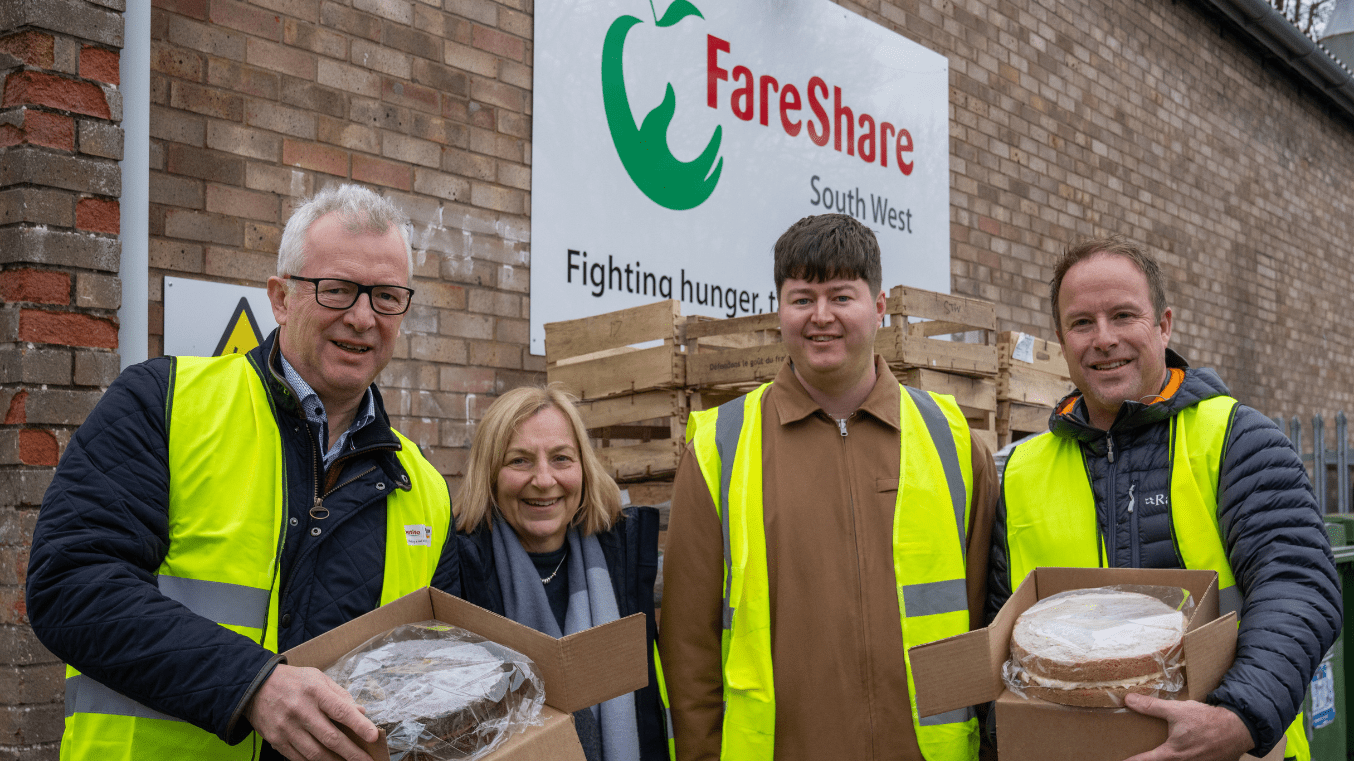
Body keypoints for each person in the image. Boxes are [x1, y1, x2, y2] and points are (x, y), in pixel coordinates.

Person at [26, 184, 457, 761]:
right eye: (337, 291)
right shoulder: (164, 402)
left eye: (386, 297)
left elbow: (434, 671)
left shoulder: (423, 487)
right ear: (280, 299)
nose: (362, 318)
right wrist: (252, 685)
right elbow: (71, 584)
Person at [987, 235, 1342, 761]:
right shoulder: (1020, 470)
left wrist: (1237, 718)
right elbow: (1001, 630)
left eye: (1124, 315)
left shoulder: (1236, 439)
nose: (1103, 339)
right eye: (1082, 323)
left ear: (1164, 325)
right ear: (1062, 340)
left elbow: (1297, 585)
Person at [659, 213, 999, 761]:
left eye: (842, 296)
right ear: (778, 310)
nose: (821, 317)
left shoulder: (952, 440)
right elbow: (687, 648)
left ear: (880, 306)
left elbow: (987, 614)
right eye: (802, 299)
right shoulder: (718, 448)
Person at [455, 385, 667, 761]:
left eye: (561, 459)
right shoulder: (458, 571)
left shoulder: (623, 559)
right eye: (519, 461)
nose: (543, 479)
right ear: (489, 474)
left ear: (583, 468)